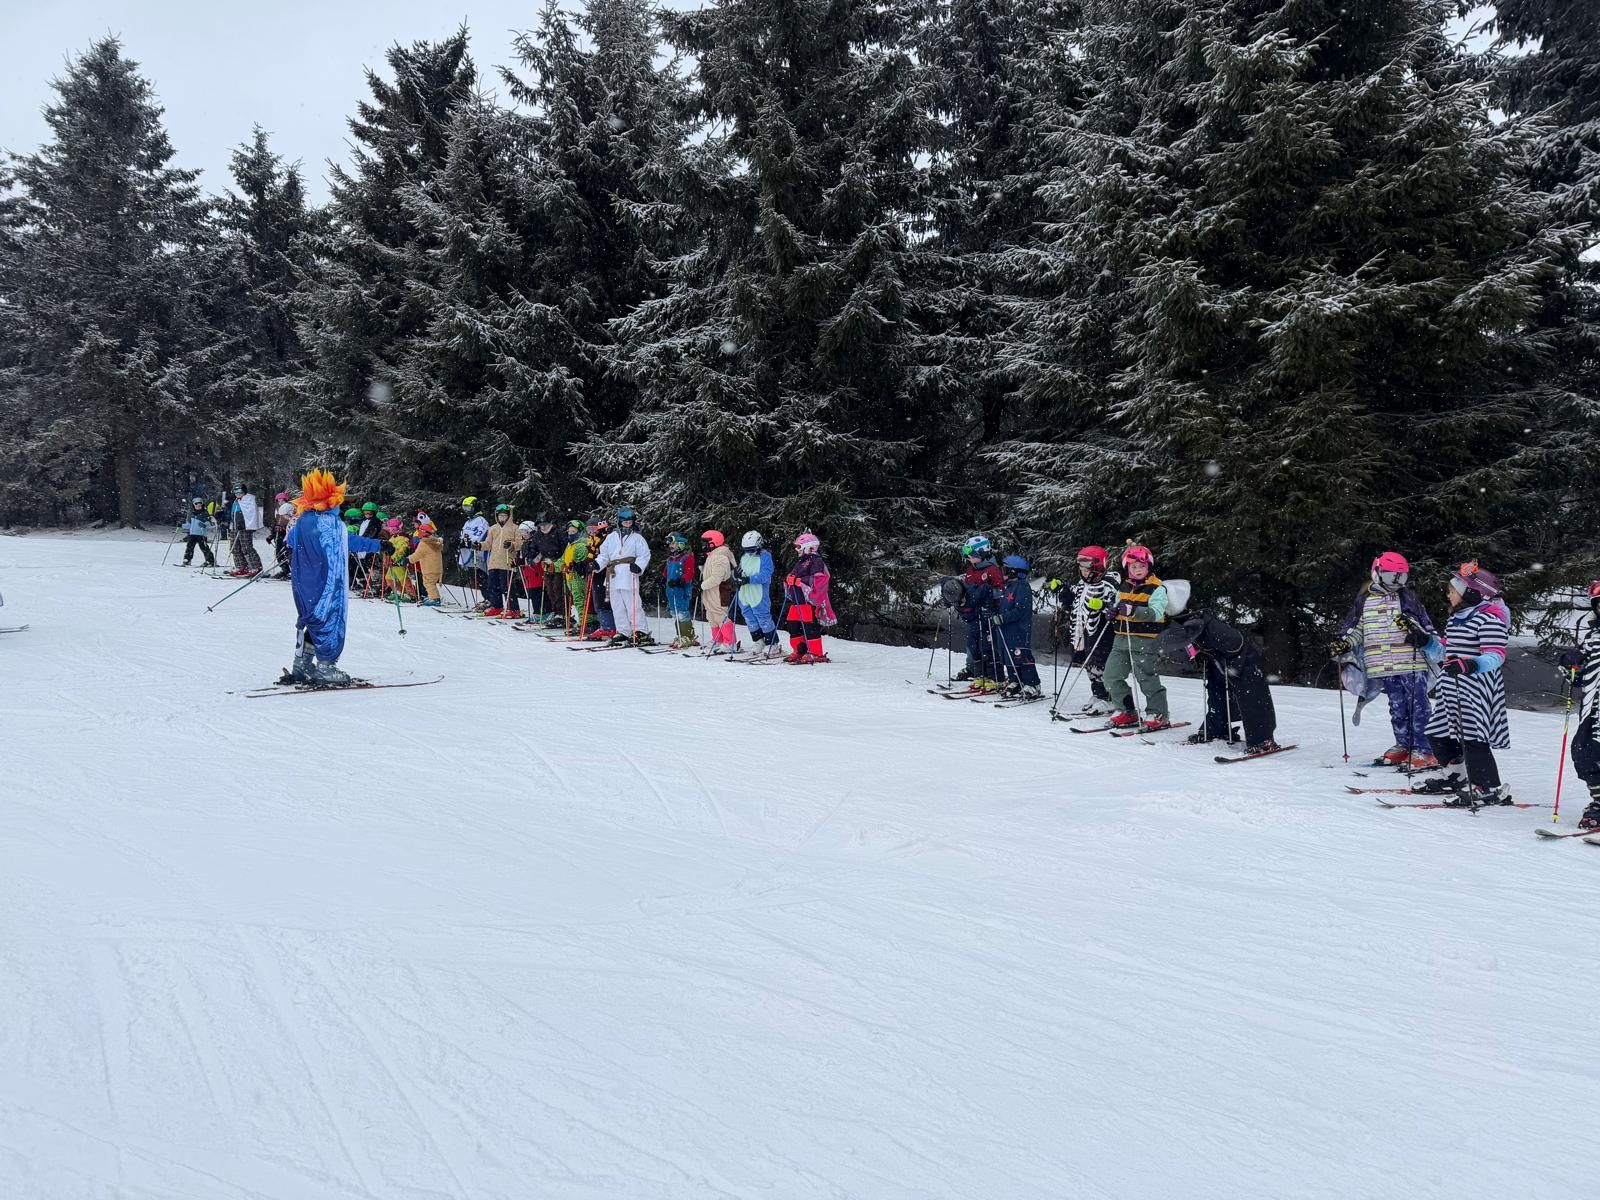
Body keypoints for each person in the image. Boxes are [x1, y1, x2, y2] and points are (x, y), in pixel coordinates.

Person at [1402, 562, 1513, 806]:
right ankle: (1456, 777)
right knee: (1437, 733)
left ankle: (1487, 787)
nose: (1448, 594)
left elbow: (1496, 656)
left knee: (1473, 737)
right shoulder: (1458, 619)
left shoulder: (1489, 620)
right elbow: (1446, 651)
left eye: (1453, 590)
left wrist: (1469, 665)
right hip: (1451, 688)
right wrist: (1426, 642)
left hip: (1476, 689)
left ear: (1472, 593)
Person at [1332, 551, 1438, 769]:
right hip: (1381, 664)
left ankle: (1425, 749)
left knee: (1417, 706)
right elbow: (1357, 629)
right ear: (1377, 573)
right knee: (1397, 706)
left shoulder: (1407, 598)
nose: (1396, 582)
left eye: (1402, 577)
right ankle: (1404, 744)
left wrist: (1415, 630)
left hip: (1410, 661)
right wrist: (1345, 643)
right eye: (1391, 576)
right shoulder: (1365, 600)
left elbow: (1425, 626)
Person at [284, 469, 387, 686]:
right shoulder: (331, 524)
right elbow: (349, 542)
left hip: (304, 582)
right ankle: (326, 666)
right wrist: (379, 545)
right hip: (326, 581)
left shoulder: (302, 521)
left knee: (311, 618)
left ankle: (301, 663)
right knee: (329, 619)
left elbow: (291, 541)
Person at [1161, 610, 1280, 752]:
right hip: (1219, 660)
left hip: (1244, 660)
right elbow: (1198, 650)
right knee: (1216, 693)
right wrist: (1202, 657)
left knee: (1252, 697)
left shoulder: (1213, 629)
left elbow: (1236, 644)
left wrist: (1231, 670)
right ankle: (1216, 729)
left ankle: (1263, 739)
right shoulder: (1185, 632)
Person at [1105, 544, 1172, 730]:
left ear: (1148, 567)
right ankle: (1126, 711)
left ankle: (1158, 714)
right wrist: (1112, 612)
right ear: (1128, 568)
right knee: (1110, 676)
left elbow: (1157, 612)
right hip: (1121, 640)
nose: (1138, 570)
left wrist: (1134, 611)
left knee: (1147, 679)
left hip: (1145, 641)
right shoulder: (1124, 586)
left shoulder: (1157, 588)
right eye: (1133, 567)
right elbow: (1117, 606)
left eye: (1142, 566)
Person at [1558, 582, 1600, 828]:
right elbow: (1580, 677)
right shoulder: (1593, 637)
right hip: (1593, 707)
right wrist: (1570, 663)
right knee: (1583, 752)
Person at [1067, 546, 1121, 714]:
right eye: (1081, 568)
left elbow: (1116, 608)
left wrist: (1104, 606)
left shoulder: (1108, 584)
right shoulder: (1082, 585)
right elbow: (1076, 605)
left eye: (1087, 569)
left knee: (1103, 664)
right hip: (1086, 633)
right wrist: (1066, 597)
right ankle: (1098, 694)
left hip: (1104, 633)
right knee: (1091, 665)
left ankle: (1110, 698)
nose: (1083, 572)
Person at [596, 507, 653, 643]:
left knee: (632, 604)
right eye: (625, 522)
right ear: (619, 522)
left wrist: (638, 566)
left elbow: (644, 554)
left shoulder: (637, 538)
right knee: (617, 605)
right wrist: (596, 564)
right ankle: (623, 630)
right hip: (613, 573)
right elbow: (604, 555)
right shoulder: (611, 537)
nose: (628, 524)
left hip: (628, 573)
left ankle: (640, 630)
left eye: (630, 522)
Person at [955, 535, 1004, 686]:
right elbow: (968, 590)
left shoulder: (992, 570)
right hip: (973, 614)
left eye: (970, 553)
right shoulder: (971, 570)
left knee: (988, 645)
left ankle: (994, 676)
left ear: (981, 552)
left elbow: (1000, 591)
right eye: (966, 552)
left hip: (987, 613)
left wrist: (987, 596)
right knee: (973, 644)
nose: (968, 556)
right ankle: (979, 674)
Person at [782, 531, 837, 663]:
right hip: (797, 600)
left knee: (809, 626)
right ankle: (799, 650)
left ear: (810, 547)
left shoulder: (816, 561)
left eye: (799, 547)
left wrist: (800, 581)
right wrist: (789, 579)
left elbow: (820, 579)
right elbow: (794, 574)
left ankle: (815, 652)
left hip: (808, 601)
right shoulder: (802, 561)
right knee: (793, 625)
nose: (797, 550)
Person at [989, 555, 1041, 695]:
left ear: (1014, 572)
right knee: (1008, 655)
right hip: (1005, 629)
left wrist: (1003, 618)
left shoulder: (1022, 587)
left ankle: (1032, 684)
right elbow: (1002, 605)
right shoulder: (1007, 587)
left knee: (1021, 655)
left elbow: (1020, 610)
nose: (1002, 573)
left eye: (1005, 570)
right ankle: (1015, 680)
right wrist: (994, 612)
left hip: (1019, 629)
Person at [736, 530, 780, 656]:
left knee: (763, 616)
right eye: (747, 550)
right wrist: (736, 577)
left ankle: (772, 643)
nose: (749, 552)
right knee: (748, 616)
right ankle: (758, 640)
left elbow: (766, 574)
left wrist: (749, 579)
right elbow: (740, 570)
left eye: (752, 550)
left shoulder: (765, 556)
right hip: (745, 593)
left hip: (758, 592)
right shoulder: (744, 557)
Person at [482, 504, 524, 618]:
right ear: (497, 516)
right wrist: (479, 546)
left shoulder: (515, 528)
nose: (502, 518)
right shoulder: (493, 528)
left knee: (507, 587)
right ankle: (497, 606)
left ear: (509, 516)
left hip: (507, 562)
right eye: (500, 516)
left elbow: (520, 543)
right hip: (494, 562)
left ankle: (513, 608)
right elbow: (488, 543)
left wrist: (512, 545)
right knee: (493, 585)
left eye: (504, 516)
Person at [700, 530, 739, 654]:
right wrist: (701, 567)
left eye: (706, 542)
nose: (703, 545)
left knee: (720, 615)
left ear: (714, 542)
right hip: (710, 590)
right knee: (711, 615)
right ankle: (718, 639)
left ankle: (730, 642)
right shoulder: (712, 555)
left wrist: (703, 585)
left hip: (719, 590)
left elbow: (717, 578)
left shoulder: (721, 557)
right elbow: (708, 573)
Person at [526, 513, 566, 625]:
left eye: (545, 525)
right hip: (546, 564)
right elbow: (533, 548)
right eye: (540, 525)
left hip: (558, 563)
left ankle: (562, 613)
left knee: (558, 589)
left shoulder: (558, 533)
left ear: (550, 524)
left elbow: (564, 548)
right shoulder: (538, 535)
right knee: (550, 590)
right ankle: (555, 612)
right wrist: (531, 558)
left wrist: (560, 562)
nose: (543, 527)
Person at [663, 532, 698, 647]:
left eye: (673, 543)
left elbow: (690, 572)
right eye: (670, 544)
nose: (671, 546)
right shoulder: (670, 559)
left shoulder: (687, 557)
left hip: (681, 590)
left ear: (681, 544)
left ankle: (687, 635)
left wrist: (681, 580)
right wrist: (662, 579)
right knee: (675, 613)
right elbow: (666, 572)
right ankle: (680, 634)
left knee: (682, 612)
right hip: (671, 590)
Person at [585, 517, 616, 640]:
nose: (590, 532)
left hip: (605, 574)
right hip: (596, 573)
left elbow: (606, 557)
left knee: (603, 600)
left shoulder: (605, 540)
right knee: (597, 599)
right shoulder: (593, 540)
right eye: (588, 529)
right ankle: (605, 625)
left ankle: (609, 627)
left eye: (593, 529)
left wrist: (596, 565)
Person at [562, 519, 595, 632]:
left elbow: (581, 562)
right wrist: (557, 565)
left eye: (573, 531)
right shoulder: (570, 545)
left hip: (578, 578)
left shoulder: (581, 545)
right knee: (577, 599)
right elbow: (564, 559)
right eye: (569, 532)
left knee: (581, 599)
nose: (571, 534)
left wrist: (573, 566)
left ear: (580, 532)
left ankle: (586, 622)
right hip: (571, 578)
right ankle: (585, 620)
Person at [227, 481, 264, 577]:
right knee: (235, 548)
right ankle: (241, 566)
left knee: (246, 548)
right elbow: (233, 513)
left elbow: (251, 513)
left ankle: (256, 567)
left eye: (240, 491)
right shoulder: (236, 501)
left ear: (244, 491)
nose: (238, 493)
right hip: (235, 527)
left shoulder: (249, 500)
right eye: (235, 491)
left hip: (245, 528)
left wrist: (245, 523)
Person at [458, 497, 489, 606]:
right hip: (469, 555)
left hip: (478, 554)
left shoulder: (481, 521)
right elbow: (464, 535)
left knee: (482, 577)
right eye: (465, 508)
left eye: (469, 508)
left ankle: (490, 600)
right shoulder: (468, 522)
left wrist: (470, 543)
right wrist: (460, 542)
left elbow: (480, 535)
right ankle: (486, 599)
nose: (466, 510)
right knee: (476, 578)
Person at [410, 513, 445, 606]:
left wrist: (409, 559)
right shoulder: (435, 542)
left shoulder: (424, 543)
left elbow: (417, 555)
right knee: (431, 583)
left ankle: (434, 599)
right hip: (437, 568)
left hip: (429, 568)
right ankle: (433, 597)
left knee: (428, 583)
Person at [178, 497, 216, 566]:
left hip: (201, 534)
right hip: (192, 533)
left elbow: (209, 524)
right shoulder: (192, 514)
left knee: (204, 547)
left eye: (200, 503)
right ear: (193, 505)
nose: (198, 505)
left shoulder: (205, 513)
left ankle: (210, 561)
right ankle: (187, 559)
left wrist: (204, 525)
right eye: (196, 504)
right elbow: (189, 525)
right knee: (189, 547)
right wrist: (181, 525)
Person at [266, 491, 297, 577]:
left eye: (282, 501)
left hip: (286, 534)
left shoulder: (289, 509)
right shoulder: (278, 511)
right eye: (278, 501)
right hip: (278, 534)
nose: (280, 502)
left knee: (288, 553)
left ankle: (295, 571)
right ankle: (285, 570)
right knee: (278, 553)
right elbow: (275, 524)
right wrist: (271, 535)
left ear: (286, 500)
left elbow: (292, 523)